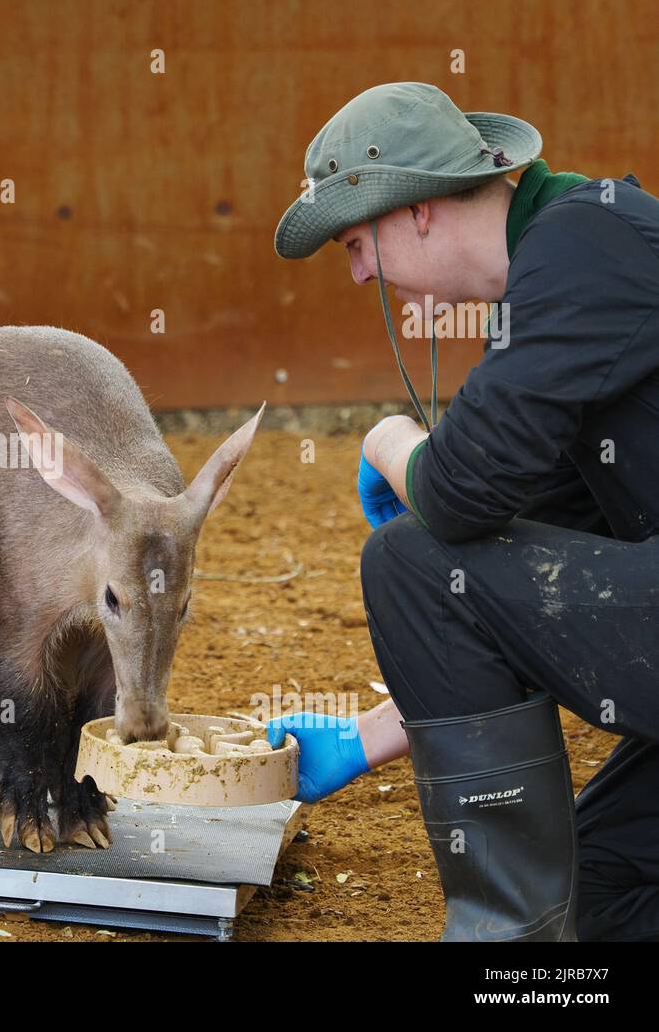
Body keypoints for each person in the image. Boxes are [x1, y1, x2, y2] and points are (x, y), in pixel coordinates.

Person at [267, 81, 659, 941]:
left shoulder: (583, 245)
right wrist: (367, 738)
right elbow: (525, 577)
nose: (362, 272)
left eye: (355, 244)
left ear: (419, 210)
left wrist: (386, 440)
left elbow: (453, 494)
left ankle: (503, 959)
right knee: (600, 896)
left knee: (406, 564)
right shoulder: (571, 268)